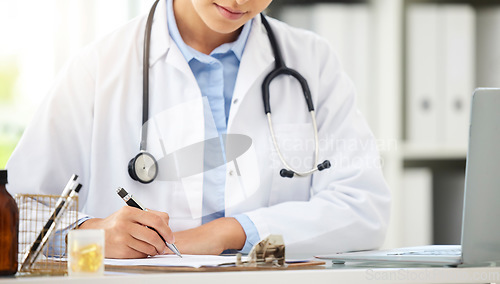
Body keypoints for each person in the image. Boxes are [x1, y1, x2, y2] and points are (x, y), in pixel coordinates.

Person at [6, 0, 390, 259]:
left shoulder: (312, 62)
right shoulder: (98, 67)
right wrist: (93, 237)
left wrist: (233, 231)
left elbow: (363, 209)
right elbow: (19, 217)